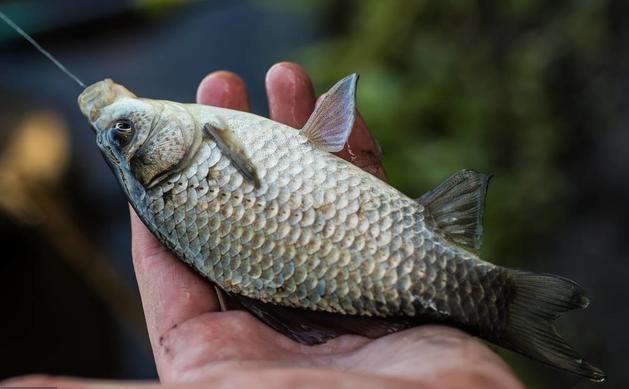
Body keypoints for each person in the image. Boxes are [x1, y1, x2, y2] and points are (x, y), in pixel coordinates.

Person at [2, 63, 524, 389]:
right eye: (125, 132)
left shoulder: (185, 165)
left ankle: (486, 301)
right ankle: (495, 303)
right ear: (155, 162)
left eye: (122, 130)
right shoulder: (192, 153)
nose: (126, 120)